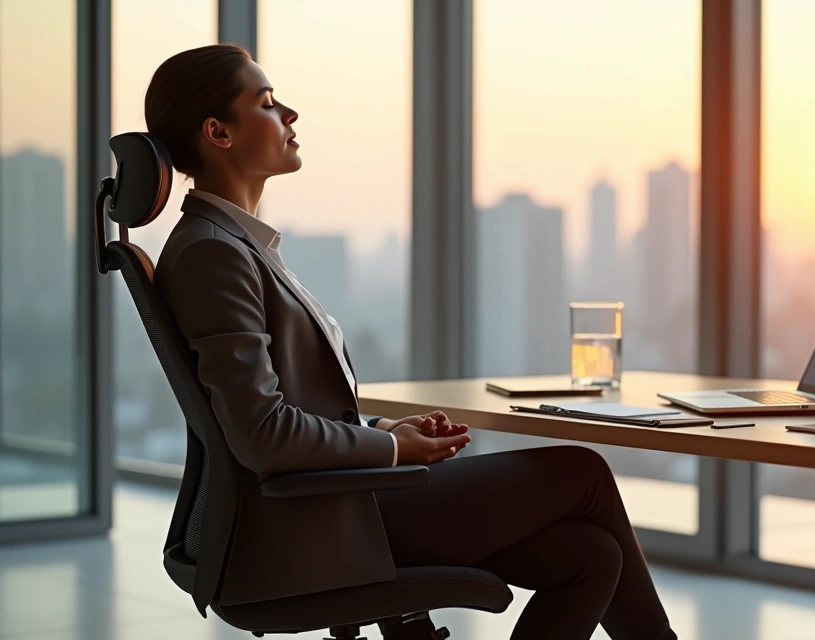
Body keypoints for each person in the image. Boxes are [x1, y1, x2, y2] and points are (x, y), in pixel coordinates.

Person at [147, 44, 676, 640]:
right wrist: (392, 452)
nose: (290, 115)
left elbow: (287, 412)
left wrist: (380, 432)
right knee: (582, 471)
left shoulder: (230, 244)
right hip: (305, 527)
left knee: (588, 554)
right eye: (268, 103)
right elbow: (261, 432)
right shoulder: (214, 253)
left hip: (324, 505)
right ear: (217, 131)